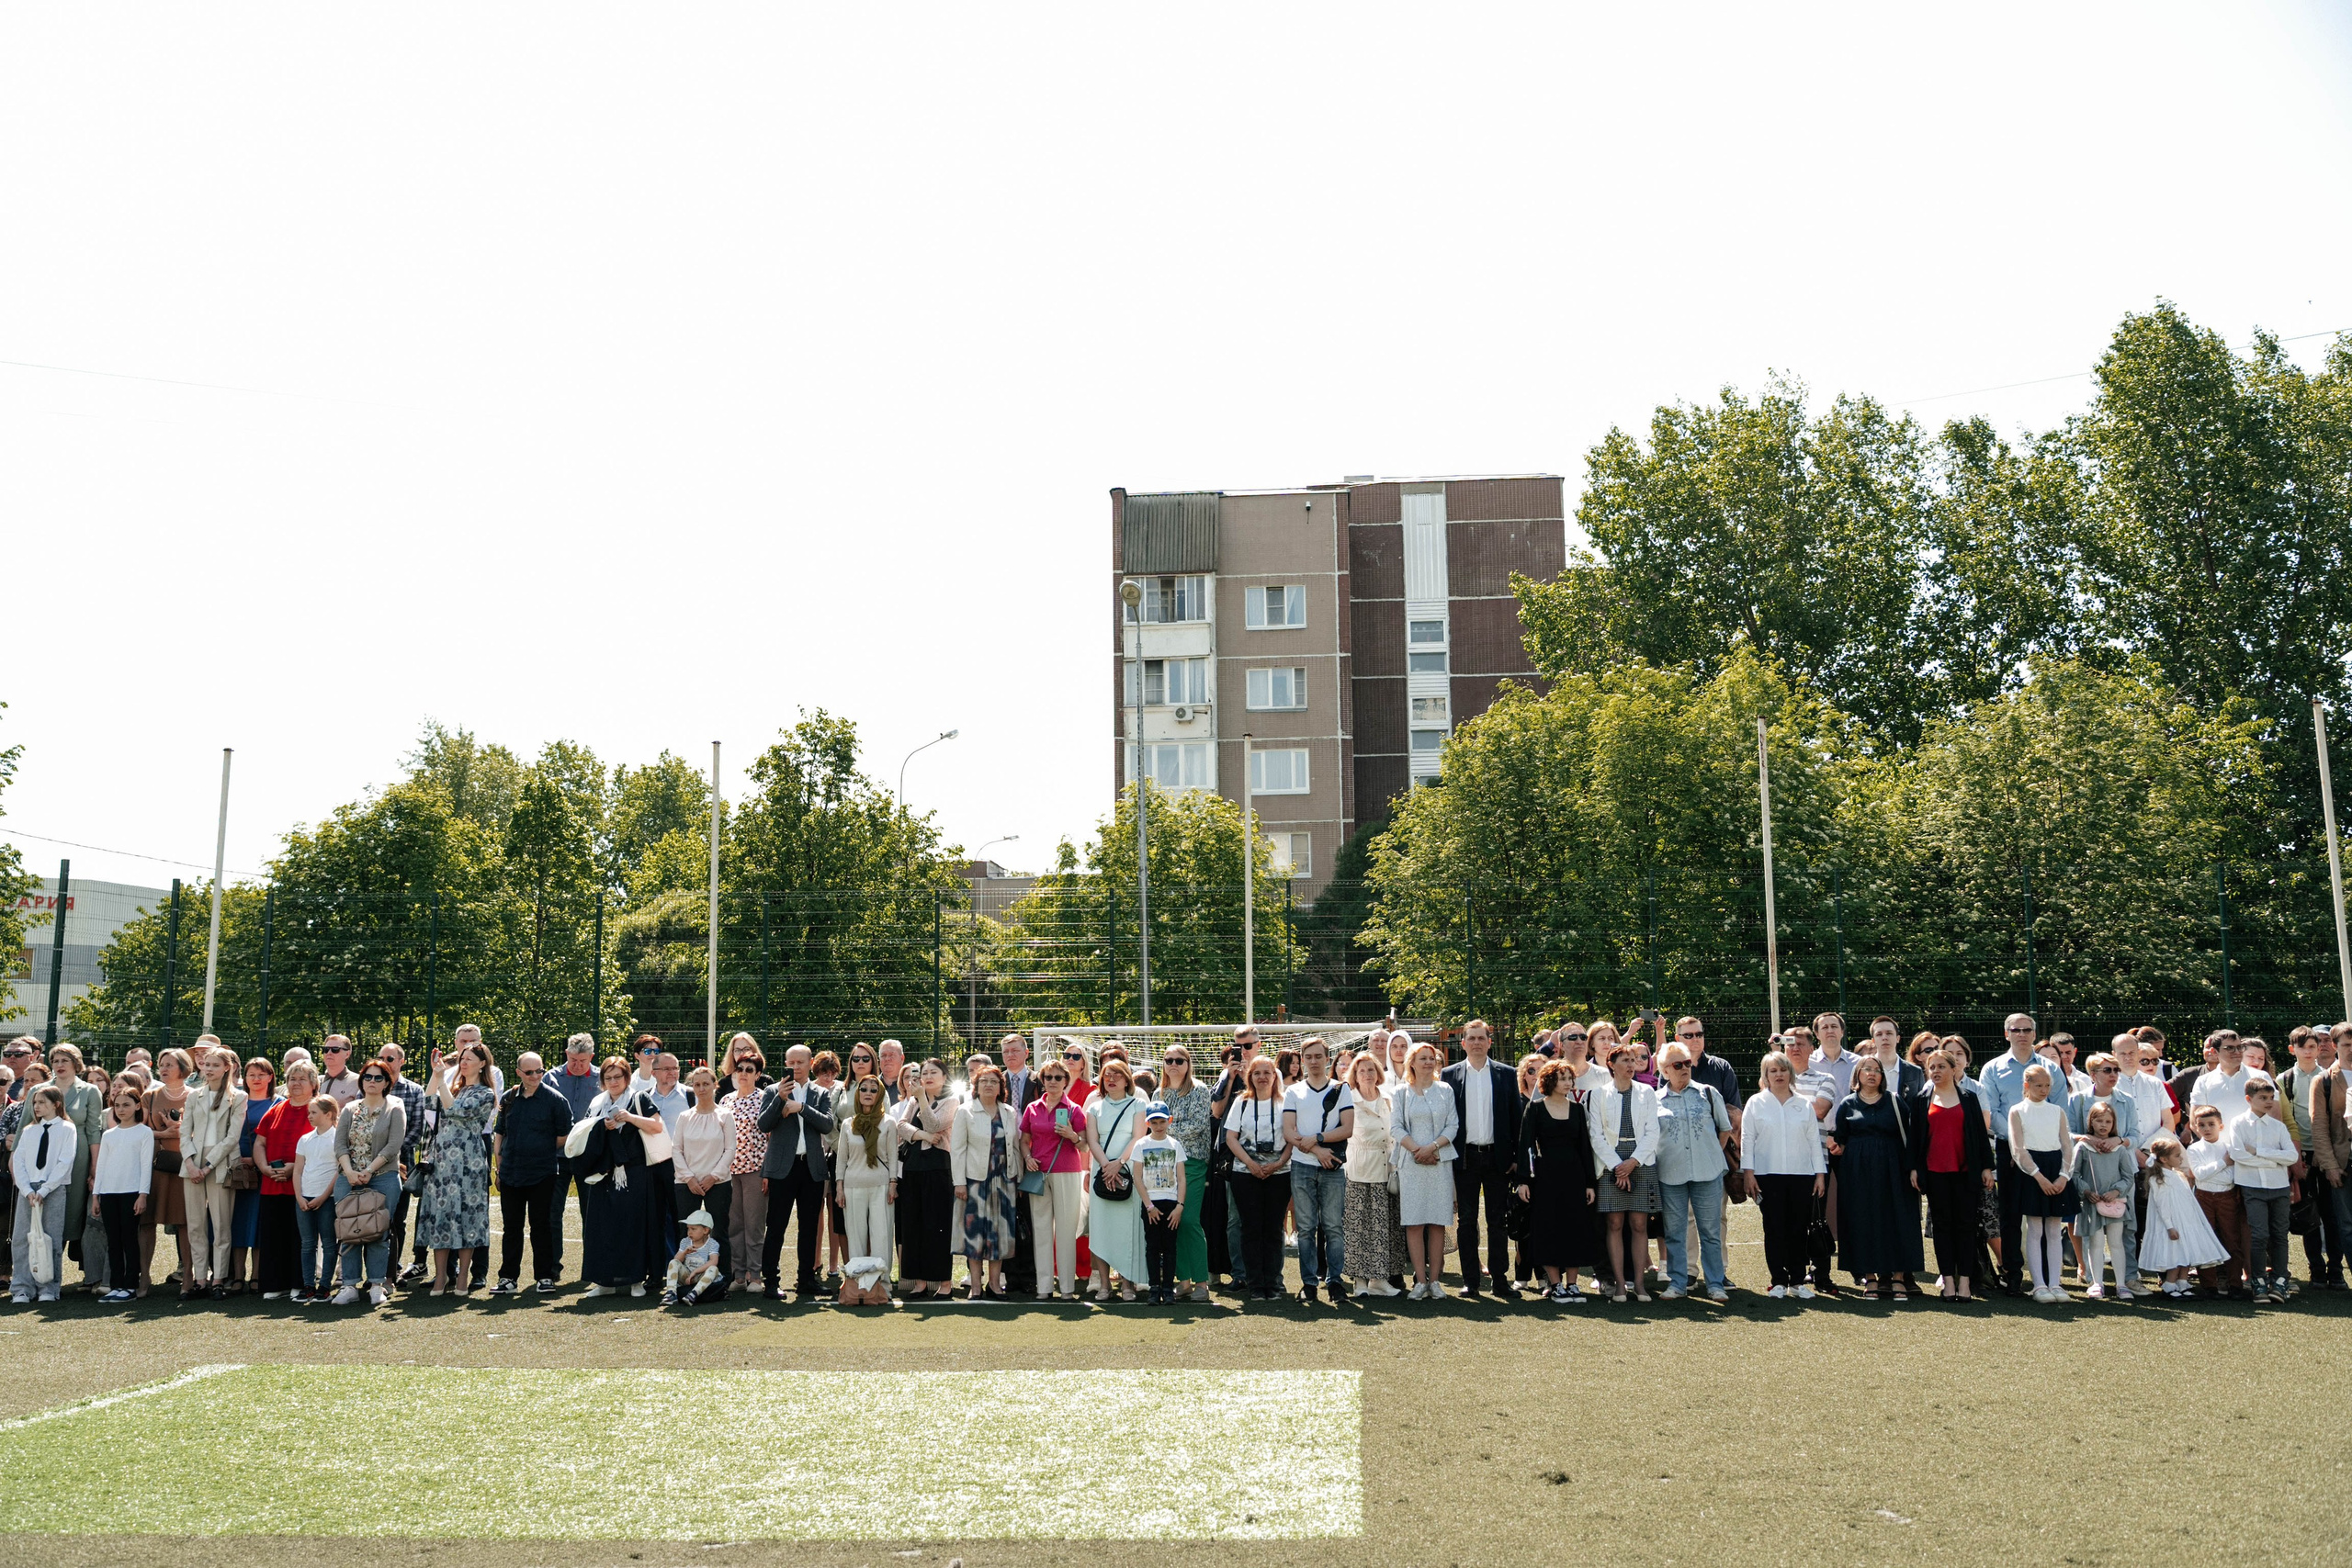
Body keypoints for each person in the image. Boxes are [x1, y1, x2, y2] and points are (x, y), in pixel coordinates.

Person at [1830, 1056, 1925, 1301]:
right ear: (1857, 1075)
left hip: (1894, 1170)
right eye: (1866, 1069)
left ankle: (1898, 1277)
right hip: (1857, 1173)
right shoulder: (1847, 1104)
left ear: (1883, 1076)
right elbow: (1840, 1139)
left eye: (1877, 1070)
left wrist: (1913, 1168)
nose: (1872, 1074)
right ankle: (1870, 1277)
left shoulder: (1895, 1101)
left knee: (1898, 1218)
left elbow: (1910, 1136)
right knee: (1862, 1220)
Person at [1442, 1020, 1521, 1301]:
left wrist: (1516, 1158)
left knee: (1497, 1221)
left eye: (1481, 1038)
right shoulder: (1449, 1075)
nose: (1476, 1042)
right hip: (1464, 1159)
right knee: (1466, 1222)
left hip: (1498, 1159)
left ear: (1489, 1041)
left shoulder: (1506, 1074)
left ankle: (1500, 1281)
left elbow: (1516, 1120)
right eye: (1471, 1038)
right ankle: (1470, 1281)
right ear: (1463, 1043)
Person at [1742, 1050, 1828, 1301]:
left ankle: (1797, 1281)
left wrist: (1819, 1175)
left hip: (1802, 1176)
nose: (1779, 1074)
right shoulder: (1756, 1103)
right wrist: (1749, 1173)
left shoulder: (1803, 1104)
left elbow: (1814, 1141)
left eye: (1783, 1069)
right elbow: (1747, 1140)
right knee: (1774, 1228)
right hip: (1767, 1176)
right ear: (1765, 1076)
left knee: (1798, 1229)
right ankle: (1778, 1280)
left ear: (1790, 1073)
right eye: (1773, 1070)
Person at [581, 1056, 669, 1299]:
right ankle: (604, 1281)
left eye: (617, 1077)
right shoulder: (597, 1102)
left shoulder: (639, 1098)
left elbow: (657, 1126)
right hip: (604, 1173)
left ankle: (635, 1280)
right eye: (608, 1078)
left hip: (635, 1172)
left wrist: (628, 1117)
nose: (613, 1082)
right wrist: (602, 1126)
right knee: (602, 1227)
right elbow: (584, 1131)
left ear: (627, 1078)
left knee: (634, 1226)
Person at [1652, 1043, 1734, 1301]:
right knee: (1675, 1232)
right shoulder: (1653, 1101)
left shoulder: (1709, 1094)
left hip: (1708, 1174)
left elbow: (1725, 1129)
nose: (1685, 1068)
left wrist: (1709, 1153)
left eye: (1687, 1063)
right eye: (1678, 1065)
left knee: (1710, 1232)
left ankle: (1715, 1284)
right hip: (1670, 1175)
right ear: (1665, 1071)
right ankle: (1677, 1283)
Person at [490, 1052, 574, 1295]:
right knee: (511, 1227)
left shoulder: (555, 1100)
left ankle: (545, 1277)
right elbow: (500, 1133)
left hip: (542, 1174)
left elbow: (564, 1135)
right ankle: (508, 1278)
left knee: (542, 1226)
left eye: (540, 1071)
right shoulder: (509, 1098)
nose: (536, 1076)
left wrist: (541, 1150)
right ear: (519, 1073)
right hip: (510, 1174)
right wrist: (499, 1167)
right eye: (530, 1072)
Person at [756, 1044, 836, 1300]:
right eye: (790, 1062)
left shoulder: (820, 1093)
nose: (795, 1067)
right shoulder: (771, 1091)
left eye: (800, 1062)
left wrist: (801, 1108)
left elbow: (826, 1124)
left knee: (809, 1227)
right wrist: (780, 1098)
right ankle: (770, 1281)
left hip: (811, 1167)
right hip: (782, 1169)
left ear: (810, 1063)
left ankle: (806, 1280)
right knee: (776, 1226)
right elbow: (763, 1124)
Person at [1976, 1012, 2047, 1297]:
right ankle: (2013, 1274)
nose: (2021, 1034)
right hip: (2008, 1149)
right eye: (2015, 1029)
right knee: (2010, 1214)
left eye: (2027, 1029)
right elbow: (1991, 1112)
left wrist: (2036, 1137)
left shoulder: (2048, 1067)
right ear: (2006, 1034)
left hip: (2045, 1148)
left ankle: (2045, 1276)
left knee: (2043, 1215)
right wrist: (2018, 1138)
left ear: (2034, 1033)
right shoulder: (1992, 1069)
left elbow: (2060, 1109)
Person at [1915, 1048, 1994, 1301]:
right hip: (1935, 1174)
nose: (1935, 1071)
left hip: (1965, 1173)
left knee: (1966, 1227)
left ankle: (1966, 1283)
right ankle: (1948, 1281)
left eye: (1941, 1066)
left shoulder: (1969, 1098)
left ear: (1953, 1069)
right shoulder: (1921, 1099)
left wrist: (1986, 1167)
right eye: (1932, 1067)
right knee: (1943, 1228)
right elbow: (1915, 1140)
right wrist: (1915, 1169)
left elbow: (1981, 1136)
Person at [1518, 1057, 1599, 1303]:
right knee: (1549, 1229)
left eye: (1569, 1078)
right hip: (1545, 1178)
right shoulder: (1535, 1108)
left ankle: (1573, 1284)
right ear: (1549, 1081)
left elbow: (1585, 1148)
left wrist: (1589, 1184)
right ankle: (1555, 1285)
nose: (1567, 1082)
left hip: (1574, 1178)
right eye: (1562, 1078)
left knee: (1574, 1228)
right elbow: (1525, 1146)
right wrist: (1523, 1181)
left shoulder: (1577, 1109)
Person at [1283, 1036, 1353, 1304]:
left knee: (1334, 1228)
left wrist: (1320, 1140)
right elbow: (1289, 1131)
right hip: (1303, 1167)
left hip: (1333, 1168)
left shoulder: (1341, 1088)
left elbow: (1347, 1128)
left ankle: (1335, 1282)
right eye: (1308, 1057)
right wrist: (1317, 1150)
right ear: (1302, 1060)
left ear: (1327, 1058)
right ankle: (1309, 1284)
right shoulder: (1294, 1092)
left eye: (1318, 1056)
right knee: (1306, 1228)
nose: (1313, 1061)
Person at [332, 1061, 407, 1306]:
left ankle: (377, 1284)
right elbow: (340, 1144)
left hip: (383, 1176)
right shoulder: (350, 1108)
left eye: (378, 1078)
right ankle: (349, 1286)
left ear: (387, 1082)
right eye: (367, 1077)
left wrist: (369, 1171)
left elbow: (394, 1144)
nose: (372, 1082)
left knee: (378, 1230)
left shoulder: (395, 1106)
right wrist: (350, 1171)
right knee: (349, 1231)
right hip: (348, 1178)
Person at [1390, 1043, 1459, 1301]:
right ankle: (1420, 1281)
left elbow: (1453, 1125)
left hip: (1440, 1161)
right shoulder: (1400, 1092)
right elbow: (1396, 1127)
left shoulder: (1445, 1090)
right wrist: (1417, 1150)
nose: (1428, 1063)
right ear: (1412, 1062)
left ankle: (1436, 1281)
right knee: (1415, 1223)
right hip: (1411, 1163)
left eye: (1432, 1058)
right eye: (1423, 1058)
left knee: (1438, 1222)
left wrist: (1432, 1148)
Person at [2007, 1062, 2079, 1303]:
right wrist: (2039, 1177)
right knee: (2035, 1229)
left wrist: (2063, 1176)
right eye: (2038, 1085)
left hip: (2056, 1169)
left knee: (2054, 1229)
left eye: (2047, 1085)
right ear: (2027, 1085)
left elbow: (2066, 1145)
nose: (2044, 1089)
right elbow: (2018, 1150)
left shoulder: (2057, 1111)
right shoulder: (2017, 1111)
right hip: (2032, 1174)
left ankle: (2055, 1284)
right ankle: (2039, 1285)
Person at [1223, 1055, 1293, 1303]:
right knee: (1251, 1228)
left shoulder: (1286, 1102)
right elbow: (1231, 1138)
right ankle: (1254, 1284)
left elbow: (1293, 1137)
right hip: (1246, 1173)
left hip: (1280, 1173)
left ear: (1275, 1076)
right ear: (1249, 1077)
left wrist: (1278, 1163)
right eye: (1257, 1073)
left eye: (1267, 1072)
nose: (1262, 1077)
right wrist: (1252, 1164)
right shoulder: (1241, 1102)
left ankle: (1272, 1282)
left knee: (1273, 1229)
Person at [179, 1043, 245, 1301]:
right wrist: (190, 1163)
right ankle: (199, 1281)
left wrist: (207, 1166)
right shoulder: (193, 1095)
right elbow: (185, 1132)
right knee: (195, 1225)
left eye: (215, 1065)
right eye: (206, 1064)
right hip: (193, 1164)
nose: (208, 1069)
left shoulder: (238, 1097)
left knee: (220, 1225)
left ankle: (218, 1280)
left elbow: (232, 1138)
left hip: (220, 1165)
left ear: (228, 1068)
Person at [1019, 1056, 1087, 1299]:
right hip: (1038, 1173)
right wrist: (1027, 1158)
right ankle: (1044, 1287)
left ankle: (1067, 1288)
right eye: (1048, 1077)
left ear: (1066, 1081)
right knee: (1041, 1229)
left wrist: (1071, 1135)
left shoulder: (1074, 1109)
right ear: (1043, 1080)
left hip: (1067, 1172)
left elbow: (1085, 1145)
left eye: (1058, 1077)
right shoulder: (1032, 1108)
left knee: (1066, 1231)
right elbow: (1024, 1140)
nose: (1053, 1081)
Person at [250, 1061, 318, 1301]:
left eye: (301, 1079)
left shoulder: (317, 1109)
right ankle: (274, 1283)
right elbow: (260, 1142)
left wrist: (294, 1168)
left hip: (303, 1185)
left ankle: (299, 1283)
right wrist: (265, 1168)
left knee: (299, 1236)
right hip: (271, 1184)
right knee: (272, 1234)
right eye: (292, 1079)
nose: (296, 1083)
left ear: (313, 1084)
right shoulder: (276, 1108)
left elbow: (324, 1147)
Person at [889, 1059, 957, 1298]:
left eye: (933, 1073)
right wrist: (924, 1136)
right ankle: (918, 1282)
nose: (927, 1077)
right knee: (913, 1226)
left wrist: (923, 1102)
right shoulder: (912, 1099)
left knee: (937, 1226)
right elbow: (901, 1126)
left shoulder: (951, 1101)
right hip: (912, 1168)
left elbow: (937, 1123)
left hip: (939, 1169)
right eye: (924, 1072)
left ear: (944, 1077)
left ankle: (944, 1283)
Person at [951, 1062, 1020, 1300]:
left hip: (1004, 1181)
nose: (988, 1085)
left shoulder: (1009, 1113)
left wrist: (1017, 1178)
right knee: (974, 1233)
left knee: (999, 1234)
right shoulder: (965, 1111)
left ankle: (994, 1285)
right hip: (975, 1181)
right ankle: (976, 1287)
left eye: (993, 1081)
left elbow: (1016, 1148)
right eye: (984, 1081)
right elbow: (957, 1150)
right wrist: (959, 1182)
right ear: (976, 1086)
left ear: (1001, 1087)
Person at [39, 1046, 104, 1293]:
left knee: (74, 1214)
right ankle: (43, 1275)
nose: (59, 1064)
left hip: (78, 1160)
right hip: (45, 1158)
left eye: (65, 1060)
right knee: (45, 1215)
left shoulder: (89, 1091)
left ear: (76, 1063)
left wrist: (94, 1167)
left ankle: (90, 1276)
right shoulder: (40, 1090)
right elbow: (28, 1126)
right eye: (55, 1060)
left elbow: (94, 1130)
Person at [2228, 1078, 2298, 1303]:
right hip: (2252, 1187)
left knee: (2279, 1235)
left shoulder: (2278, 1126)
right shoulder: (2238, 1124)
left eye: (2271, 1098)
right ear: (2249, 1099)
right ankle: (2258, 1282)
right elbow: (2238, 1154)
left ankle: (2280, 1282)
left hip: (2279, 1187)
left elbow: (2292, 1157)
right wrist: (2273, 1161)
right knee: (2259, 1235)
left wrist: (2259, 1152)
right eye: (2263, 1098)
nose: (2269, 1102)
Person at [1152, 1043, 1213, 1303]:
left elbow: (1197, 1126)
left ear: (1188, 1064)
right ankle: (1184, 1281)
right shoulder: (1159, 1092)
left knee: (1188, 1220)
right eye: (1169, 1060)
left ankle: (1202, 1282)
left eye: (1179, 1060)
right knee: (1171, 1223)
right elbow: (1155, 1127)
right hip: (1164, 1163)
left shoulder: (1200, 1090)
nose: (1173, 1064)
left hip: (1193, 1163)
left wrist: (1165, 1126)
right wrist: (1166, 1126)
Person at [1083, 1056, 1147, 1302]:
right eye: (1106, 1075)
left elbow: (1138, 1137)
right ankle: (1104, 1286)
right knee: (1101, 1230)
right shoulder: (1094, 1108)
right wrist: (1106, 1167)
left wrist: (1118, 1165)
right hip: (1103, 1171)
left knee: (1128, 1229)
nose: (1111, 1079)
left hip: (1128, 1171)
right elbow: (1092, 1141)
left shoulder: (1138, 1105)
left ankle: (1128, 1284)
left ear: (1127, 1079)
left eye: (1117, 1075)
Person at [832, 1075, 901, 1294]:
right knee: (856, 1238)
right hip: (852, 1186)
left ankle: (883, 1286)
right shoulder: (847, 1124)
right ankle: (859, 1286)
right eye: (864, 1089)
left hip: (881, 1185)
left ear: (879, 1094)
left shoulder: (888, 1122)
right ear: (858, 1093)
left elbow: (893, 1156)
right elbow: (841, 1159)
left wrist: (893, 1183)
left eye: (873, 1090)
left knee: (882, 1236)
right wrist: (839, 1187)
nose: (868, 1093)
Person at [9, 1086, 77, 1302]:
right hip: (27, 1190)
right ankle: (22, 1287)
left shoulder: (67, 1129)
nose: (36, 1107)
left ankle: (48, 1287)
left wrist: (46, 1189)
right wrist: (27, 1190)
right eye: (35, 1103)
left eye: (41, 1102)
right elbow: (18, 1161)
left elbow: (65, 1161)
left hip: (53, 1189)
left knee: (50, 1238)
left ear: (56, 1104)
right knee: (22, 1237)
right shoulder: (30, 1130)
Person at [2140, 1135, 2229, 1297]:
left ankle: (2182, 1282)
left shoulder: (2179, 1175)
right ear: (2164, 1159)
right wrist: (2169, 1226)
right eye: (2177, 1156)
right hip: (2173, 1223)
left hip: (2186, 1221)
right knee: (2176, 1255)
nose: (2181, 1158)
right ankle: (2170, 1284)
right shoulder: (2159, 1179)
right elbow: (2162, 1205)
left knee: (2187, 1252)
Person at [90, 1083, 154, 1303]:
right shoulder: (109, 1135)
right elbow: (102, 1166)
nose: (121, 1109)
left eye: (126, 1105)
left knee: (129, 1239)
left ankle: (130, 1286)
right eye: (117, 1105)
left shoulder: (144, 1133)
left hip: (131, 1193)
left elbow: (146, 1166)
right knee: (114, 1241)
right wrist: (96, 1196)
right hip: (108, 1193)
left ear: (137, 1106)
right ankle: (116, 1285)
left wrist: (142, 1194)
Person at [672, 1066, 733, 1295]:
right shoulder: (684, 1117)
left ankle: (722, 1281)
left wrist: (712, 1177)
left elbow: (730, 1150)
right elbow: (676, 1149)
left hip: (717, 1183)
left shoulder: (725, 1115)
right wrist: (689, 1179)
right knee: (686, 1236)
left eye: (706, 1084)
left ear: (715, 1085)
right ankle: (683, 1281)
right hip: (687, 1184)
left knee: (719, 1233)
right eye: (697, 1084)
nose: (701, 1088)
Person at [139, 1048, 192, 1293]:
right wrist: (164, 1133)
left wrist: (182, 1131)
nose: (164, 1068)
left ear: (183, 1067)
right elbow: (138, 1132)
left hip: (186, 1166)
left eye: (170, 1064)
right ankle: (144, 1278)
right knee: (147, 1222)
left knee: (185, 1223)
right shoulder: (149, 1096)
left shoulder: (196, 1096)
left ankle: (189, 1278)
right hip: (155, 1166)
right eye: (162, 1063)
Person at [2073, 1101, 2136, 1301]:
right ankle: (2097, 1283)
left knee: (2116, 1243)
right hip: (2092, 1203)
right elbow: (2073, 1174)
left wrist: (2117, 1191)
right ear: (2090, 1121)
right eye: (2099, 1120)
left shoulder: (2119, 1149)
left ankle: (2121, 1284)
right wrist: (2087, 1191)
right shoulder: (2082, 1147)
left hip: (2115, 1204)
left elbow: (2128, 1177)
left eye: (2108, 1121)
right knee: (2096, 1243)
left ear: (2114, 1124)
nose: (2103, 1125)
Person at [2184, 1105, 2249, 1296]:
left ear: (2221, 1126)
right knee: (2206, 1239)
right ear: (2195, 1127)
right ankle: (2209, 1285)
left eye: (2211, 1124)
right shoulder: (2194, 1149)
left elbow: (2229, 1178)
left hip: (2227, 1197)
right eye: (2201, 1125)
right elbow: (2199, 1174)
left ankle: (2235, 1283)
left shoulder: (2228, 1147)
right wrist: (2222, 1163)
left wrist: (2212, 1171)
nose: (2206, 1129)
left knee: (2232, 1239)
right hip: (2203, 1197)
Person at [720, 1055, 770, 1292]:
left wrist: (767, 1173)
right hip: (729, 1172)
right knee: (734, 1225)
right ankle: (739, 1276)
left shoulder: (764, 1099)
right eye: (739, 1069)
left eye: (749, 1070)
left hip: (755, 1170)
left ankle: (756, 1276)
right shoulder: (726, 1100)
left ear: (757, 1075)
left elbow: (772, 1139)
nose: (743, 1073)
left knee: (754, 1225)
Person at [288, 1092, 340, 1303]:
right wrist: (299, 1196)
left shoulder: (338, 1139)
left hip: (327, 1198)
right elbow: (298, 1170)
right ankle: (308, 1285)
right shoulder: (305, 1139)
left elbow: (339, 1171)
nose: (309, 1116)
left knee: (328, 1243)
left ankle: (325, 1286)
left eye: (314, 1112)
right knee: (307, 1244)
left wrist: (323, 1196)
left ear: (328, 1114)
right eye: (309, 1112)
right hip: (304, 1198)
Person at [2189, 1032, 2253, 1128]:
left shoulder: (2260, 1077)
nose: (2237, 1052)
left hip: (2253, 1143)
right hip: (2216, 1143)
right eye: (2230, 1048)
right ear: (2215, 1052)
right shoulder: (2203, 1082)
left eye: (2239, 1047)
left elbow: (2273, 1117)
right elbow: (2195, 1123)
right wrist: (2214, 1143)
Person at [663, 1210, 724, 1306]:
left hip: (701, 1276)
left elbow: (714, 1261)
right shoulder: (685, 1242)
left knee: (713, 1269)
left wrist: (695, 1272)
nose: (689, 1232)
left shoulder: (712, 1244)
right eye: (688, 1229)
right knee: (673, 1262)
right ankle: (671, 1293)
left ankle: (694, 1294)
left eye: (693, 1229)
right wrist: (684, 1253)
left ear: (705, 1230)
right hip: (687, 1277)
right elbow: (677, 1260)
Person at [316, 1036, 361, 1105]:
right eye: (326, 1049)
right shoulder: (316, 1081)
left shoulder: (358, 1081)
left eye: (335, 1049)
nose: (329, 1053)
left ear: (347, 1054)